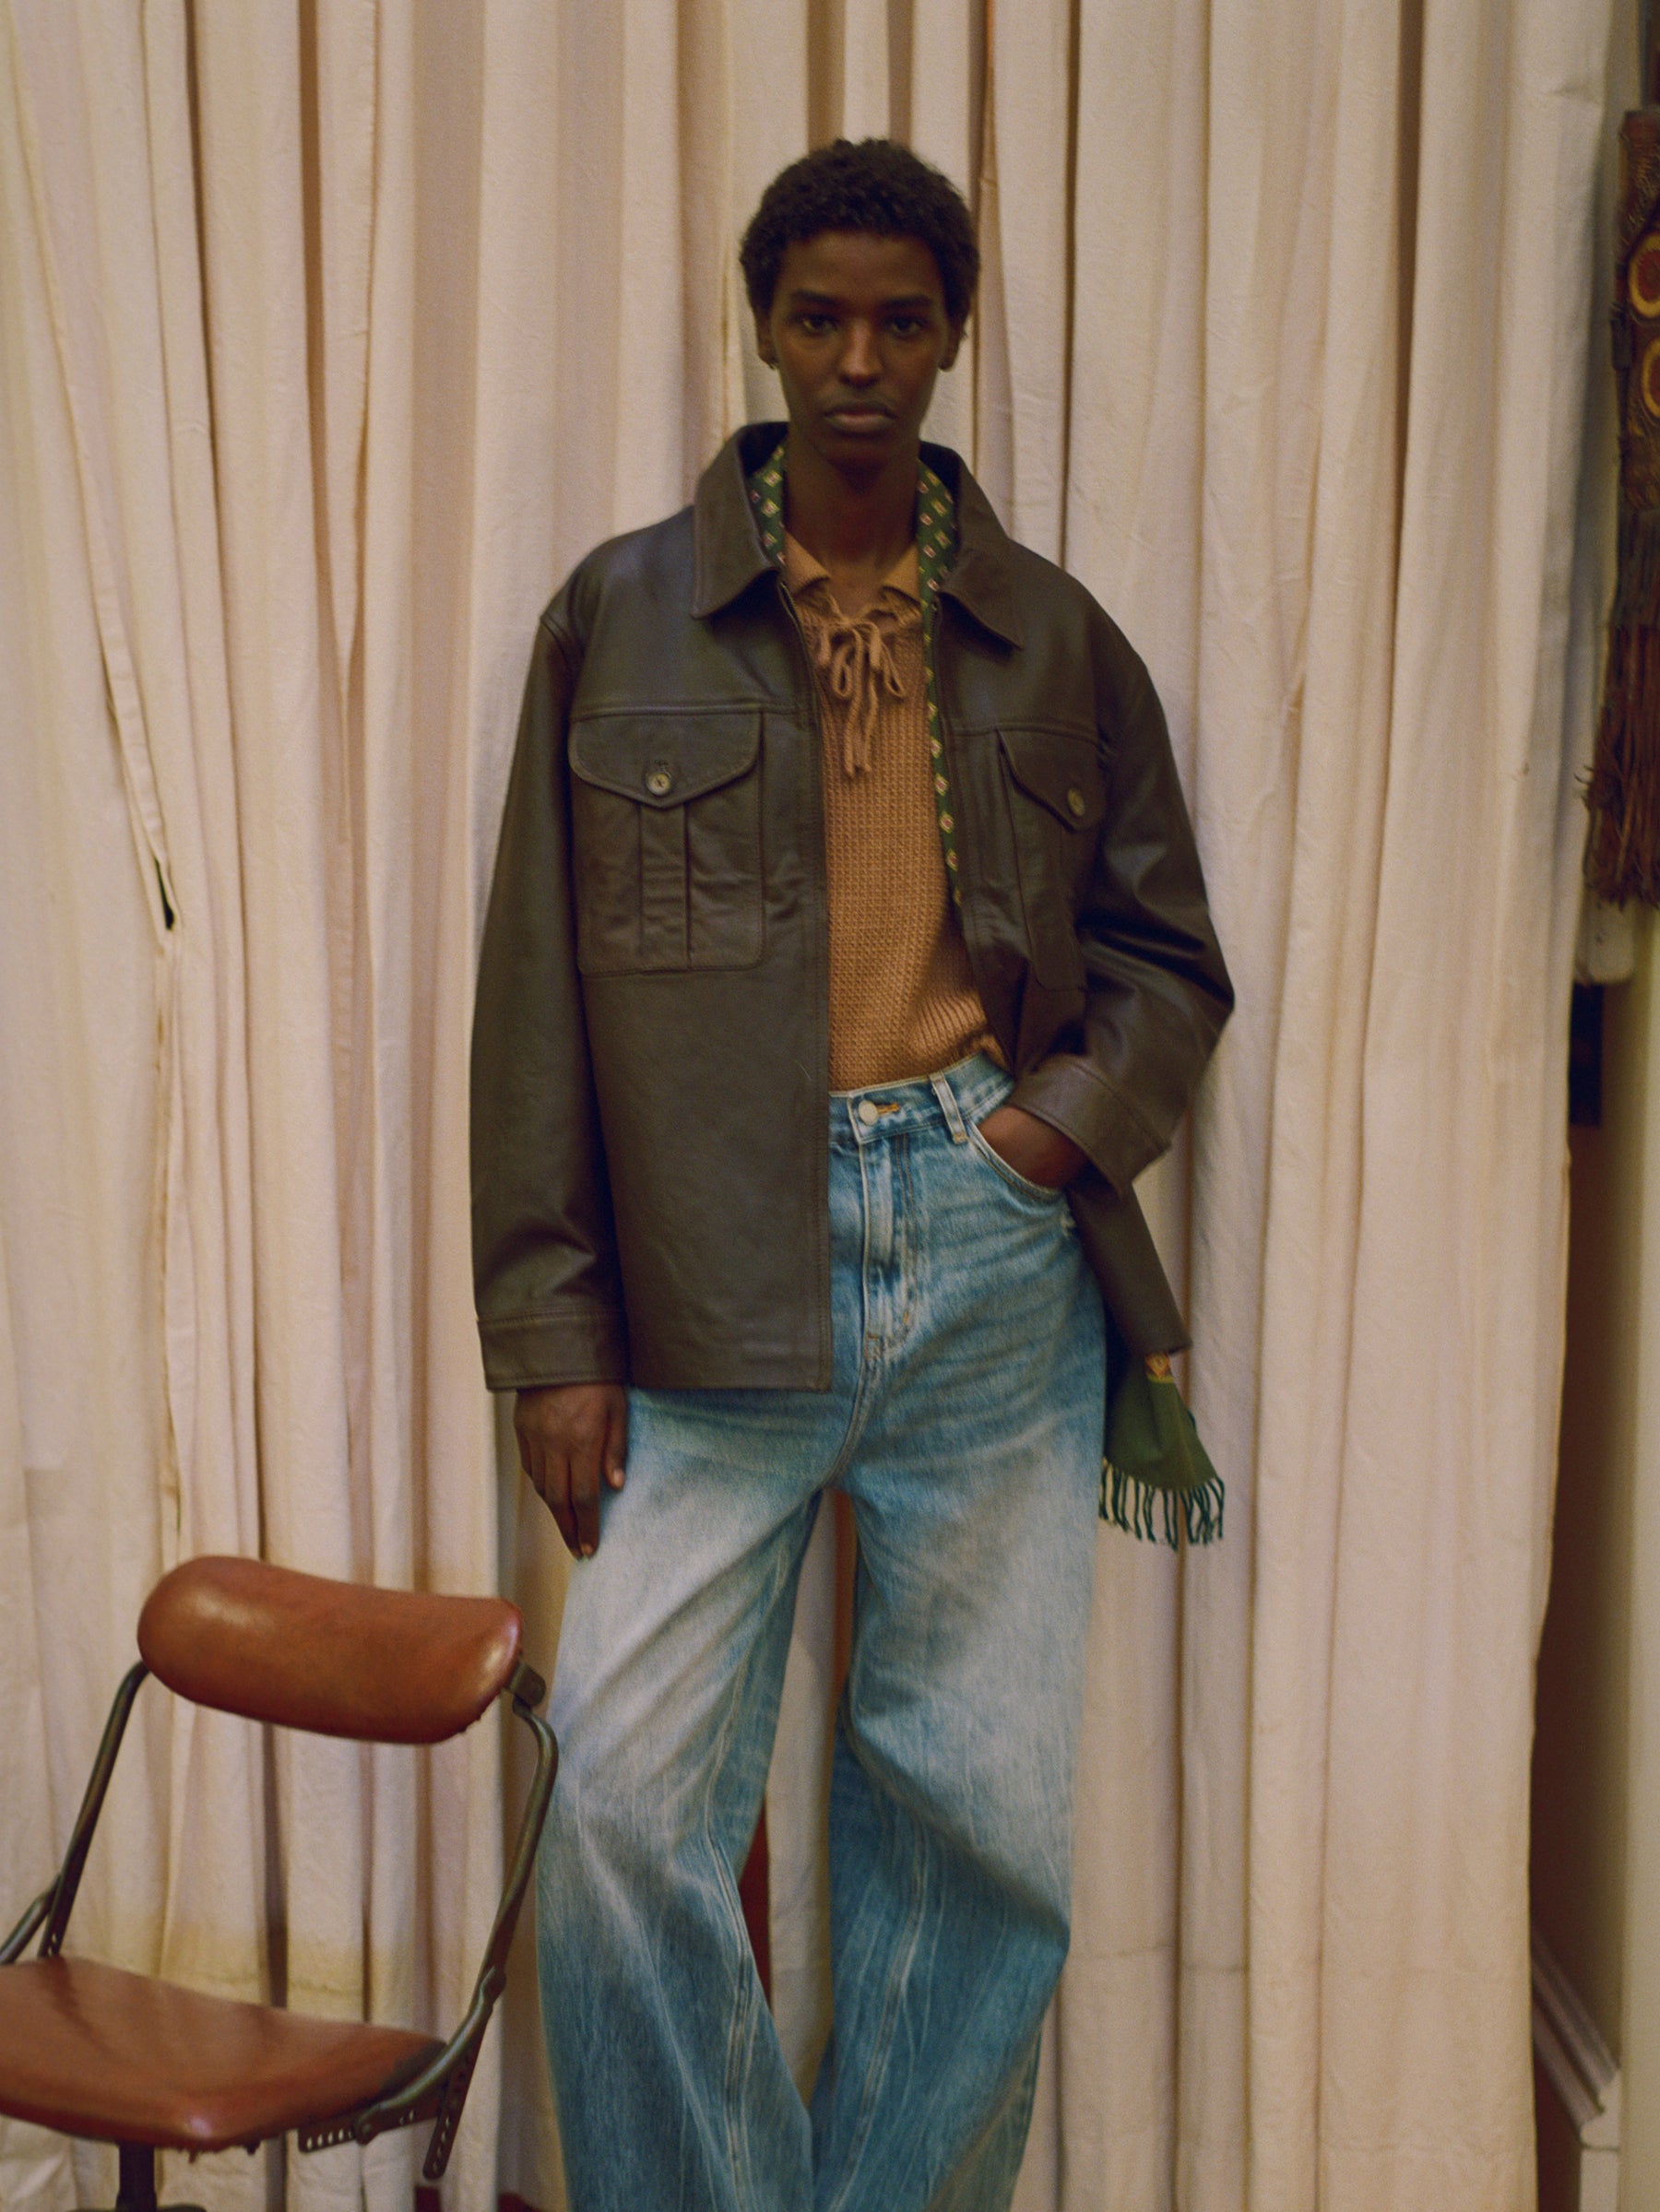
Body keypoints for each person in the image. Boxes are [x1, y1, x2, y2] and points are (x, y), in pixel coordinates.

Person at [470, 136, 1231, 2212]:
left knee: (980, 1828)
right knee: (622, 1805)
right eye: (821, 318)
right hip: (709, 1270)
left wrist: (1040, 1133)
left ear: (954, 336)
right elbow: (534, 995)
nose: (861, 360)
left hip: (991, 1264)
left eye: (903, 320)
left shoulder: (1055, 639)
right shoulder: (618, 615)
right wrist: (554, 1330)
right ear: (766, 329)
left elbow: (1167, 959)